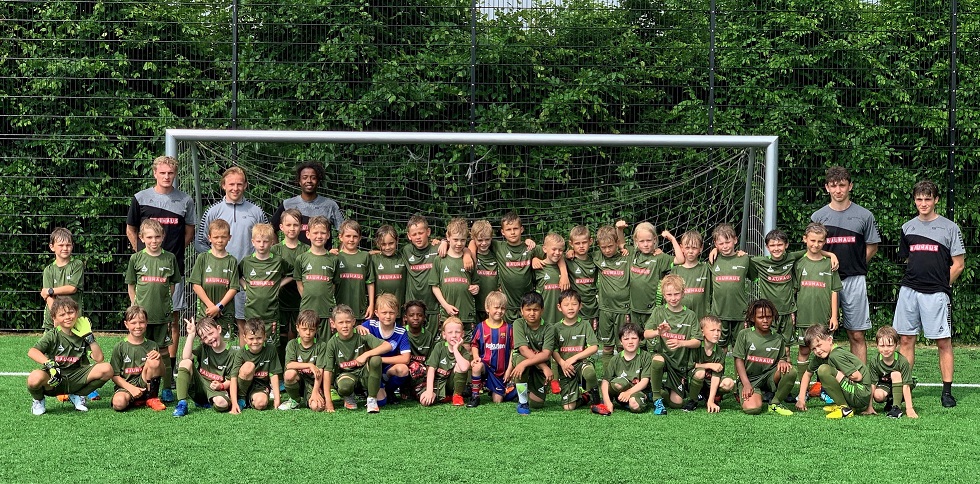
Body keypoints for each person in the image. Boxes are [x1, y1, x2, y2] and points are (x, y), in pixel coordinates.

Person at [893, 179, 965, 408]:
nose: (923, 203)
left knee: (943, 342)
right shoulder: (907, 227)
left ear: (936, 200)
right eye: (919, 199)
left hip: (936, 294)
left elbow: (959, 264)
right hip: (909, 291)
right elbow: (907, 259)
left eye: (927, 199)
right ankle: (902, 388)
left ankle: (947, 392)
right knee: (906, 339)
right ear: (914, 201)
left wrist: (942, 285)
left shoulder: (950, 228)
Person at [126, 155, 197, 377]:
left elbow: (190, 231)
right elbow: (131, 229)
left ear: (175, 174)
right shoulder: (140, 198)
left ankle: (170, 370)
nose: (167, 176)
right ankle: (141, 369)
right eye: (163, 173)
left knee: (172, 319)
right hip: (147, 272)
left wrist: (171, 254)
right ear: (155, 173)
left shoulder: (185, 200)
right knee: (141, 320)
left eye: (170, 173)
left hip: (171, 268)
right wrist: (143, 254)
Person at [811, 166, 880, 363]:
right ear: (827, 188)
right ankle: (823, 376)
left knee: (856, 334)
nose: (838, 190)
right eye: (833, 186)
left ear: (850, 186)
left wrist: (855, 263)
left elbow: (872, 246)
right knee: (821, 333)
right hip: (825, 281)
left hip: (854, 280)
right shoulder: (818, 217)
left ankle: (860, 377)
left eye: (842, 185)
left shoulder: (864, 215)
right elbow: (812, 248)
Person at [194, 166, 267, 331]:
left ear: (245, 185)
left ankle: (245, 349)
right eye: (231, 184)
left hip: (247, 277)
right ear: (223, 185)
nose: (235, 188)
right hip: (218, 279)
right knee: (215, 324)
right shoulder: (212, 211)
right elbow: (200, 242)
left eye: (239, 184)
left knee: (246, 324)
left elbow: (267, 239)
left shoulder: (256, 212)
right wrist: (218, 262)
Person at [125, 219, 180, 401]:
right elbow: (131, 285)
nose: (153, 241)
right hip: (142, 318)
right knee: (140, 350)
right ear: (141, 238)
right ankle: (141, 385)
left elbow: (172, 285)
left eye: (157, 237)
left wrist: (165, 303)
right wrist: (135, 307)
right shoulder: (136, 259)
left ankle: (166, 388)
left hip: (162, 315)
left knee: (164, 352)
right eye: (149, 237)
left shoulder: (170, 258)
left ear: (163, 236)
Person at [27, 297, 111, 415]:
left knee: (107, 369)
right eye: (62, 314)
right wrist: (50, 365)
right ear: (54, 318)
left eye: (71, 312)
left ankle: (78, 395)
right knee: (34, 377)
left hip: (77, 377)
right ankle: (39, 400)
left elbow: (99, 358)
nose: (67, 317)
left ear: (77, 313)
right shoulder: (53, 335)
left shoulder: (82, 333)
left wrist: (90, 337)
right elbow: (32, 351)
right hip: (55, 378)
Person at [472, 212, 556, 323]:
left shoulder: (530, 248)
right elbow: (475, 240)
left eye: (515, 228)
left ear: (521, 229)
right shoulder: (498, 247)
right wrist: (469, 256)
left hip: (528, 307)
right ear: (502, 232)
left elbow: (556, 254)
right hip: (507, 308)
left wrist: (564, 272)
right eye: (508, 229)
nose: (512, 232)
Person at [794, 222, 842, 386]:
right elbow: (794, 290)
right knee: (804, 350)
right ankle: (804, 386)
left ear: (825, 242)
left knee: (824, 350)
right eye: (812, 240)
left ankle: (824, 386)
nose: (816, 244)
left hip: (823, 317)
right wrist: (793, 313)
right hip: (804, 317)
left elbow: (834, 291)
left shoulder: (830, 264)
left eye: (820, 241)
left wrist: (834, 316)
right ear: (805, 239)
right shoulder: (799, 263)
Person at [644, 274, 700, 414]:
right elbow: (646, 334)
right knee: (658, 360)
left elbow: (697, 342)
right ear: (664, 295)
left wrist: (681, 343)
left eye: (676, 294)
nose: (673, 298)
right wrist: (658, 332)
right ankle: (657, 399)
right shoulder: (658, 311)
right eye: (669, 294)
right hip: (662, 356)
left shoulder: (690, 315)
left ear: (683, 293)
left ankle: (660, 390)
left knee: (677, 403)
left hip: (679, 363)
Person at [323, 305, 393, 413]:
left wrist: (366, 354)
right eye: (341, 322)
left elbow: (387, 346)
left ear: (353, 321)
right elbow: (327, 371)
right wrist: (328, 401)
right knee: (345, 386)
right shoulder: (332, 343)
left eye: (348, 322)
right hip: (346, 375)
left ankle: (372, 399)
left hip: (364, 373)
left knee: (376, 359)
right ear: (333, 324)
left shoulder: (362, 334)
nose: (345, 326)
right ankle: (349, 396)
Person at [732, 298, 796, 416]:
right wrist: (746, 384)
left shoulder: (778, 338)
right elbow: (738, 360)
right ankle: (759, 394)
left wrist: (783, 361)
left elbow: (782, 358)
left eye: (769, 317)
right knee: (752, 409)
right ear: (753, 318)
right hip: (750, 379)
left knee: (790, 371)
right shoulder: (744, 334)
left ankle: (775, 402)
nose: (765, 320)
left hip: (769, 377)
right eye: (761, 317)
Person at [795, 324, 872, 419]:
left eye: (819, 345)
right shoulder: (820, 356)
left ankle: (845, 408)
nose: (817, 351)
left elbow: (857, 376)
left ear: (829, 340)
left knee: (823, 370)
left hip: (860, 393)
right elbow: (807, 374)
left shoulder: (835, 355)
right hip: (854, 391)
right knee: (826, 370)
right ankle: (844, 405)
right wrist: (801, 399)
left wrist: (838, 374)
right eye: (814, 349)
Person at [619, 221, 682, 328]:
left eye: (648, 240)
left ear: (655, 240)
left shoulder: (659, 258)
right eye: (642, 241)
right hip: (634, 309)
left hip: (652, 309)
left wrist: (672, 239)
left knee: (652, 336)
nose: (645, 244)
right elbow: (621, 244)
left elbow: (680, 259)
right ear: (636, 241)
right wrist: (620, 230)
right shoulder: (633, 254)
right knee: (637, 337)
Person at [239, 223, 293, 348]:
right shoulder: (247, 261)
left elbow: (293, 273)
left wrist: (278, 285)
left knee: (271, 347)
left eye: (266, 241)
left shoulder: (278, 261)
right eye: (258, 241)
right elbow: (236, 276)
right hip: (251, 312)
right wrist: (246, 286)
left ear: (272, 242)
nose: (262, 245)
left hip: (271, 314)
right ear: (253, 242)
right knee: (252, 344)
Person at [173, 316, 237, 417]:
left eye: (211, 333)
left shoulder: (232, 354)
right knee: (185, 362)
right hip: (200, 387)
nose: (209, 338)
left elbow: (231, 380)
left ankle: (209, 402)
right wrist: (191, 335)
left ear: (219, 329)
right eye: (205, 338)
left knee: (222, 403)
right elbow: (186, 357)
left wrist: (221, 386)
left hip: (216, 390)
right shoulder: (204, 347)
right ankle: (182, 403)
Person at [270, 161, 345, 247]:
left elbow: (345, 232)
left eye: (313, 178)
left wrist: (340, 252)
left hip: (323, 255)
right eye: (305, 177)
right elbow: (271, 229)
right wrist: (278, 250)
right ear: (299, 181)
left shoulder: (330, 205)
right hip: (295, 256)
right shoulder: (287, 204)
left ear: (318, 181)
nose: (309, 181)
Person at [109, 305, 167, 412]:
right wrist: (131, 389)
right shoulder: (120, 347)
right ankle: (134, 399)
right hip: (126, 387)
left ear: (146, 323)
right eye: (133, 323)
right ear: (126, 324)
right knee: (118, 403)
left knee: (153, 361)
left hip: (145, 383)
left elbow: (163, 373)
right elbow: (114, 375)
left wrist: (159, 359)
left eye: (141, 322)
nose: (138, 326)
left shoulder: (152, 345)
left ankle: (151, 398)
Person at [709, 223, 756, 353]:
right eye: (721, 243)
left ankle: (739, 368)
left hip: (740, 313)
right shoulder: (713, 259)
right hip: (719, 313)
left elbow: (755, 277)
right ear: (715, 244)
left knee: (739, 348)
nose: (725, 246)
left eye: (728, 242)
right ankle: (719, 367)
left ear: (735, 240)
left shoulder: (744, 258)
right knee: (720, 347)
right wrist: (714, 250)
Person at [188, 219, 239, 334]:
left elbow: (233, 288)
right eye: (216, 237)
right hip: (206, 311)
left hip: (225, 313)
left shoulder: (232, 261)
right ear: (209, 238)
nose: (220, 240)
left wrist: (219, 307)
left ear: (229, 237)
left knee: (224, 343)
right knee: (206, 341)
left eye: (223, 237)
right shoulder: (202, 258)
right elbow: (196, 285)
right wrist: (211, 306)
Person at [358, 293, 411, 404]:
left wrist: (378, 359)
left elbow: (405, 359)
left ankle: (389, 390)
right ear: (376, 313)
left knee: (403, 369)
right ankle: (365, 388)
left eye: (391, 313)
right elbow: (356, 331)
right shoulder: (369, 325)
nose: (388, 316)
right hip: (371, 369)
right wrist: (358, 327)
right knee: (381, 402)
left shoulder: (401, 331)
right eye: (384, 313)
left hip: (387, 369)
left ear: (397, 313)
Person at [508, 291, 555, 415]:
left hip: (539, 363)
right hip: (522, 358)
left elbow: (546, 354)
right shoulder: (518, 323)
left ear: (542, 310)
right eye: (528, 309)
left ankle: (518, 390)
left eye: (536, 309)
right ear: (521, 310)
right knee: (521, 364)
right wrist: (544, 367)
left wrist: (541, 366)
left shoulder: (549, 328)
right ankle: (522, 401)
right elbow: (523, 350)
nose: (532, 313)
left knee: (536, 404)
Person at [551, 289, 599, 411]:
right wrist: (562, 363)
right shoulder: (555, 328)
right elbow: (553, 350)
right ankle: (585, 397)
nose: (570, 308)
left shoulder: (585, 324)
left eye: (574, 304)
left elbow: (594, 347)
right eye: (566, 305)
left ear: (580, 306)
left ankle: (596, 400)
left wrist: (575, 357)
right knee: (568, 407)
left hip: (581, 363)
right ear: (559, 307)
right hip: (565, 368)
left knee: (589, 373)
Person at [468, 291, 516, 407]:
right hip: (486, 367)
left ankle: (506, 390)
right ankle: (475, 396)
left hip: (500, 372)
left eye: (502, 308)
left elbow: (513, 350)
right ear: (487, 308)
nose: (499, 311)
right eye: (496, 307)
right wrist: (476, 357)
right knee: (476, 366)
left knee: (497, 400)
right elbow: (474, 344)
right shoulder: (481, 327)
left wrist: (509, 370)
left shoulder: (508, 328)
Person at [294, 215, 339, 338]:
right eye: (315, 233)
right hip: (307, 309)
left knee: (325, 344)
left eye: (323, 233)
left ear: (328, 235)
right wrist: (306, 297)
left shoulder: (333, 259)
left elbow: (333, 284)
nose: (319, 236)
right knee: (306, 342)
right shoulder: (301, 259)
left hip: (326, 311)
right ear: (308, 234)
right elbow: (298, 281)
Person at [593, 322, 652, 415]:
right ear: (621, 341)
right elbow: (605, 381)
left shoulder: (646, 356)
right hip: (620, 389)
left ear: (640, 340)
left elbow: (645, 381)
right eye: (626, 339)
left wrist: (628, 393)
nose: (630, 342)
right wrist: (607, 401)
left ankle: (630, 401)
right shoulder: (615, 359)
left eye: (634, 338)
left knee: (635, 405)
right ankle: (613, 400)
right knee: (618, 383)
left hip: (637, 391)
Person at [272, 208, 309, 353]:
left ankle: (294, 360)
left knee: (296, 331)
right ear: (281, 227)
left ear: (301, 227)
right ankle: (281, 364)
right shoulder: (275, 250)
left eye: (295, 225)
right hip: (280, 298)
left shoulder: (307, 249)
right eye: (288, 225)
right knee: (281, 333)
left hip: (301, 298)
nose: (292, 228)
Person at [432, 218, 479, 333]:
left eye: (462, 240)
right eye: (455, 239)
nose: (459, 243)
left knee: (466, 342)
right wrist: (446, 306)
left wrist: (476, 288)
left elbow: (476, 282)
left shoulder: (469, 260)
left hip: (466, 314)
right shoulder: (439, 260)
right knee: (448, 341)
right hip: (447, 313)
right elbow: (434, 286)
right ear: (448, 237)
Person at [593, 224, 630, 370]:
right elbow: (578, 255)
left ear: (617, 243)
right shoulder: (597, 257)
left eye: (610, 246)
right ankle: (608, 377)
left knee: (623, 346)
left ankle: (623, 375)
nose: (607, 250)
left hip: (623, 310)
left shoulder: (626, 256)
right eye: (603, 247)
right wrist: (570, 252)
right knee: (607, 346)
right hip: (605, 310)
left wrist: (620, 232)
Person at [682, 315, 735, 413]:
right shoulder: (696, 347)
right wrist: (710, 365)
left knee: (728, 383)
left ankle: (710, 397)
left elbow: (716, 376)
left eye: (718, 330)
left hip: (709, 381)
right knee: (700, 373)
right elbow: (689, 366)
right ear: (702, 331)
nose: (716, 334)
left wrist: (711, 401)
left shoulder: (720, 352)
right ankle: (693, 400)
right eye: (712, 330)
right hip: (692, 381)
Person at [229, 318, 283, 413]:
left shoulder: (271, 350)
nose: (255, 342)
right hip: (243, 386)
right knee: (249, 366)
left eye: (259, 338)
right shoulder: (241, 353)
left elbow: (273, 374)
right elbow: (233, 378)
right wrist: (234, 403)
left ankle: (251, 400)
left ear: (265, 336)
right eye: (251, 338)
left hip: (260, 386)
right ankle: (241, 398)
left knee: (261, 403)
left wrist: (277, 398)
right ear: (244, 337)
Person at [865, 325, 917, 418]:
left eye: (889, 345)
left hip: (901, 384)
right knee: (878, 396)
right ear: (877, 345)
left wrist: (909, 409)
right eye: (882, 345)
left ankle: (896, 407)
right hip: (885, 385)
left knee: (895, 374)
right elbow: (872, 384)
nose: (886, 349)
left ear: (896, 345)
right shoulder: (874, 360)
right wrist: (869, 407)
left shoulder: (902, 361)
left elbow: (906, 385)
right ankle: (891, 401)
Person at [279, 310, 327, 411]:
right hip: (298, 380)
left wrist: (315, 391)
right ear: (297, 328)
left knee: (317, 407)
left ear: (317, 329)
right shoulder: (292, 344)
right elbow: (289, 365)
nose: (308, 333)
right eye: (304, 329)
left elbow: (320, 371)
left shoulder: (321, 345)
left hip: (313, 383)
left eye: (311, 329)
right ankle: (295, 400)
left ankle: (311, 395)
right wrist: (310, 365)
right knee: (289, 374)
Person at [419, 317, 472, 406]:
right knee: (424, 401)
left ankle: (457, 396)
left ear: (462, 334)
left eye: (457, 332)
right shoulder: (439, 347)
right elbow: (431, 369)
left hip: (453, 385)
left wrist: (455, 349)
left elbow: (464, 368)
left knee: (460, 366)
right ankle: (445, 397)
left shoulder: (464, 352)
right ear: (444, 335)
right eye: (450, 332)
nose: (454, 335)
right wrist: (429, 391)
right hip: (438, 384)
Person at [401, 214, 441, 331]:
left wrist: (444, 242)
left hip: (433, 308)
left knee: (431, 340)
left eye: (421, 233)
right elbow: (388, 253)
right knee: (411, 339)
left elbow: (457, 248)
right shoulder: (406, 250)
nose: (418, 237)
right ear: (409, 236)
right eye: (414, 234)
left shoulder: (438, 249)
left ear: (428, 232)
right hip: (412, 310)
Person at [40, 227, 84, 332]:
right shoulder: (48, 270)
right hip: (53, 320)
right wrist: (56, 316)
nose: (65, 248)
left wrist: (50, 290)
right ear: (52, 247)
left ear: (72, 246)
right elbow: (48, 297)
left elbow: (72, 288)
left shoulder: (77, 265)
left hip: (73, 319)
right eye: (61, 245)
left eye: (68, 245)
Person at [335, 219, 376, 320]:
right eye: (348, 236)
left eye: (355, 236)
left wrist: (371, 304)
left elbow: (370, 282)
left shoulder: (365, 256)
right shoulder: (335, 257)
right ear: (340, 237)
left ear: (360, 238)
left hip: (360, 309)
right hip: (339, 310)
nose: (351, 239)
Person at [671, 231, 711, 319]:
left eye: (694, 248)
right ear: (681, 248)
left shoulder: (706, 269)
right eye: (687, 247)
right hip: (680, 319)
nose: (690, 251)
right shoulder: (675, 270)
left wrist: (716, 250)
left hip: (701, 319)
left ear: (701, 248)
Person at [566, 225, 599, 330]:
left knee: (592, 335)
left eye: (584, 242)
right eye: (577, 243)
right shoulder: (567, 260)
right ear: (571, 244)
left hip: (593, 306)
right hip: (575, 307)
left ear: (590, 241)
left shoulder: (595, 258)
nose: (581, 246)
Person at [532, 232, 566, 326]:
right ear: (544, 249)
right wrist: (534, 259)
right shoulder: (537, 267)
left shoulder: (566, 265)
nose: (557, 253)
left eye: (560, 250)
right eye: (554, 249)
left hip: (562, 319)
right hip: (544, 318)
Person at [403, 300, 435, 399]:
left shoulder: (428, 335)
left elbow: (430, 360)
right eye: (411, 315)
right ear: (405, 317)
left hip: (423, 372)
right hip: (406, 369)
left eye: (419, 315)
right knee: (416, 367)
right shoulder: (402, 332)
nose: (416, 318)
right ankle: (404, 388)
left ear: (424, 317)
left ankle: (419, 390)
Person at [373, 224, 407, 308]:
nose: (387, 247)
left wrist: (439, 242)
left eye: (391, 243)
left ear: (397, 240)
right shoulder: (372, 259)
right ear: (378, 243)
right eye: (383, 244)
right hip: (380, 310)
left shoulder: (404, 256)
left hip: (400, 308)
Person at [471, 220, 498, 324]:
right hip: (475, 307)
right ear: (473, 239)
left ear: (491, 238)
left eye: (487, 239)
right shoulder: (470, 255)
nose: (484, 243)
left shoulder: (496, 254)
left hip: (493, 307)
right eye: (480, 240)